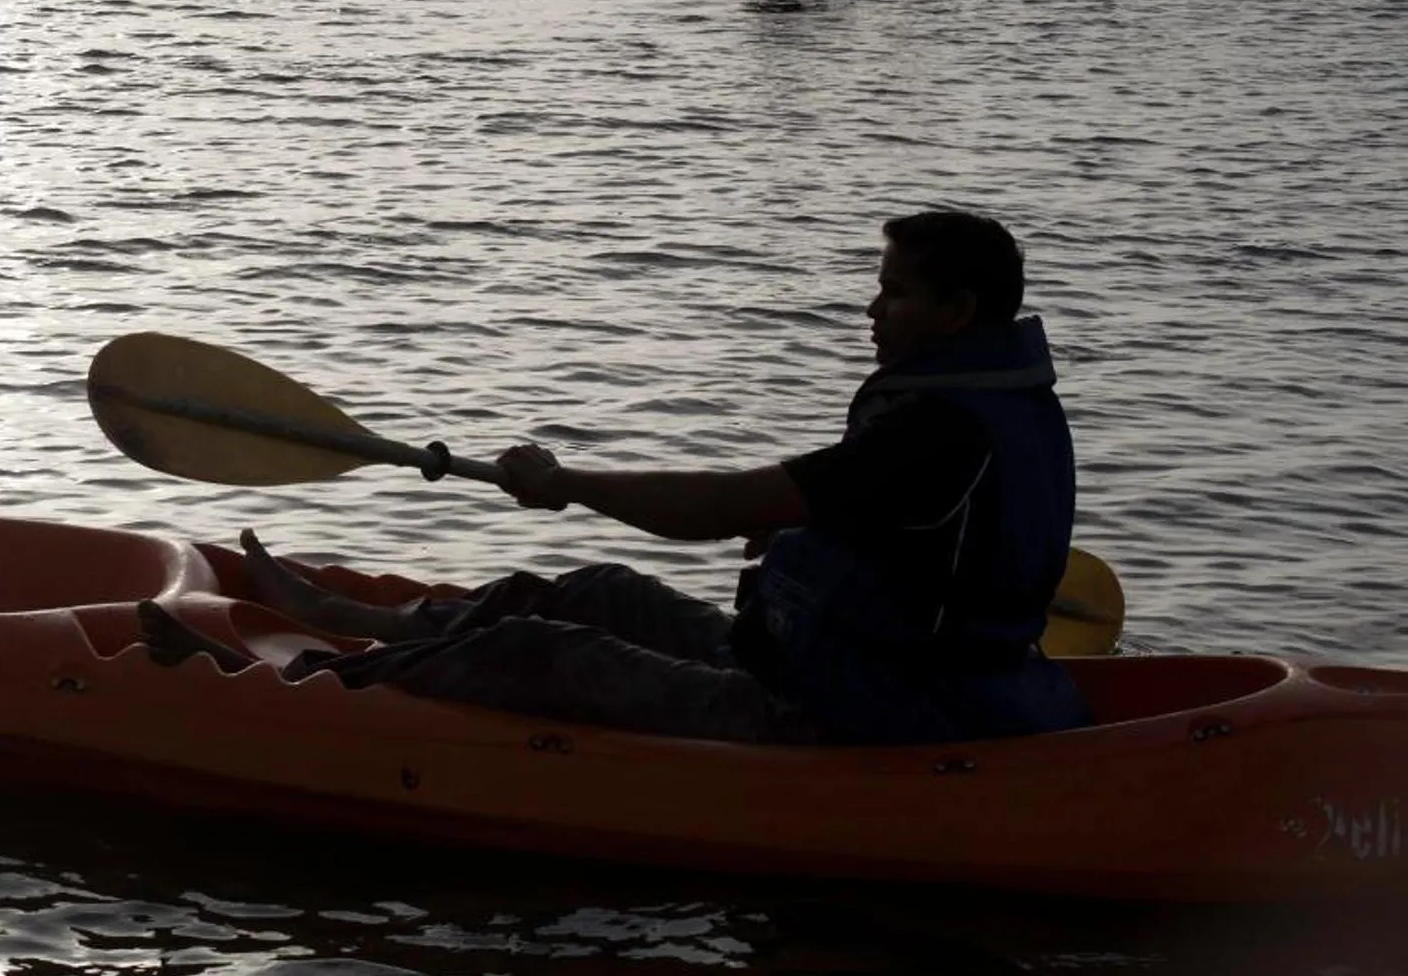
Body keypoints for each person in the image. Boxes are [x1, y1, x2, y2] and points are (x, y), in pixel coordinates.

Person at [136, 211, 1092, 745]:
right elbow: (903, 529)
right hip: (836, 663)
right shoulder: (992, 403)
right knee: (604, 592)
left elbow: (722, 508)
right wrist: (812, 537)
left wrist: (569, 484)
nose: (870, 307)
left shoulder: (938, 428)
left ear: (959, 309)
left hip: (860, 711)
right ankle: (367, 624)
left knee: (538, 652)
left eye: (894, 290)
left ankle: (293, 693)